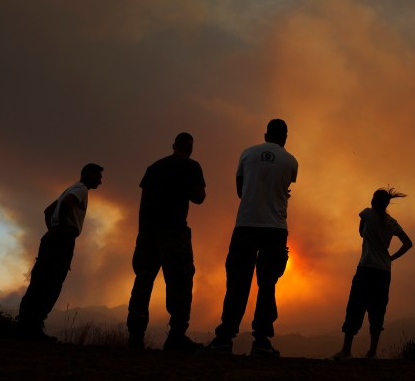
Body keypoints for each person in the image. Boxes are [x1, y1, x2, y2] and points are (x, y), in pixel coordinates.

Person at [208, 119, 298, 356]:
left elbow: (241, 190)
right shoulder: (291, 161)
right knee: (267, 285)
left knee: (237, 282)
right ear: (285, 137)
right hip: (275, 228)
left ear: (265, 134)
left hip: (246, 224)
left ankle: (224, 338)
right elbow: (284, 188)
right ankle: (261, 342)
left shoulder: (247, 154)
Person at [126, 132, 206, 351]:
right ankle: (176, 336)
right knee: (180, 284)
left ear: (173, 146)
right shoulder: (191, 166)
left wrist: (141, 234)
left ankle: (135, 336)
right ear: (190, 148)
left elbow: (143, 203)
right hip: (174, 234)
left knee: (143, 282)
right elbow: (199, 197)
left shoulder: (154, 167)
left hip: (148, 233)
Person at [16, 163, 105, 340]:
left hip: (51, 238)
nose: (100, 182)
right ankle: (34, 328)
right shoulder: (81, 190)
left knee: (39, 280)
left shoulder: (71, 188)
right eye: (98, 177)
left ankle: (24, 325)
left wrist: (53, 230)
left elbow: (48, 210)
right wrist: (62, 232)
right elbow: (65, 204)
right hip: (62, 239)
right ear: (88, 175)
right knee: (53, 282)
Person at [332, 188, 413, 360]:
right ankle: (372, 352)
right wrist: (391, 258)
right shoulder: (392, 223)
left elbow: (361, 232)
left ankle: (346, 351)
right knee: (378, 310)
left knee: (355, 307)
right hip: (383, 272)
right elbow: (408, 243)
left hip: (366, 269)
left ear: (374, 200)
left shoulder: (367, 214)